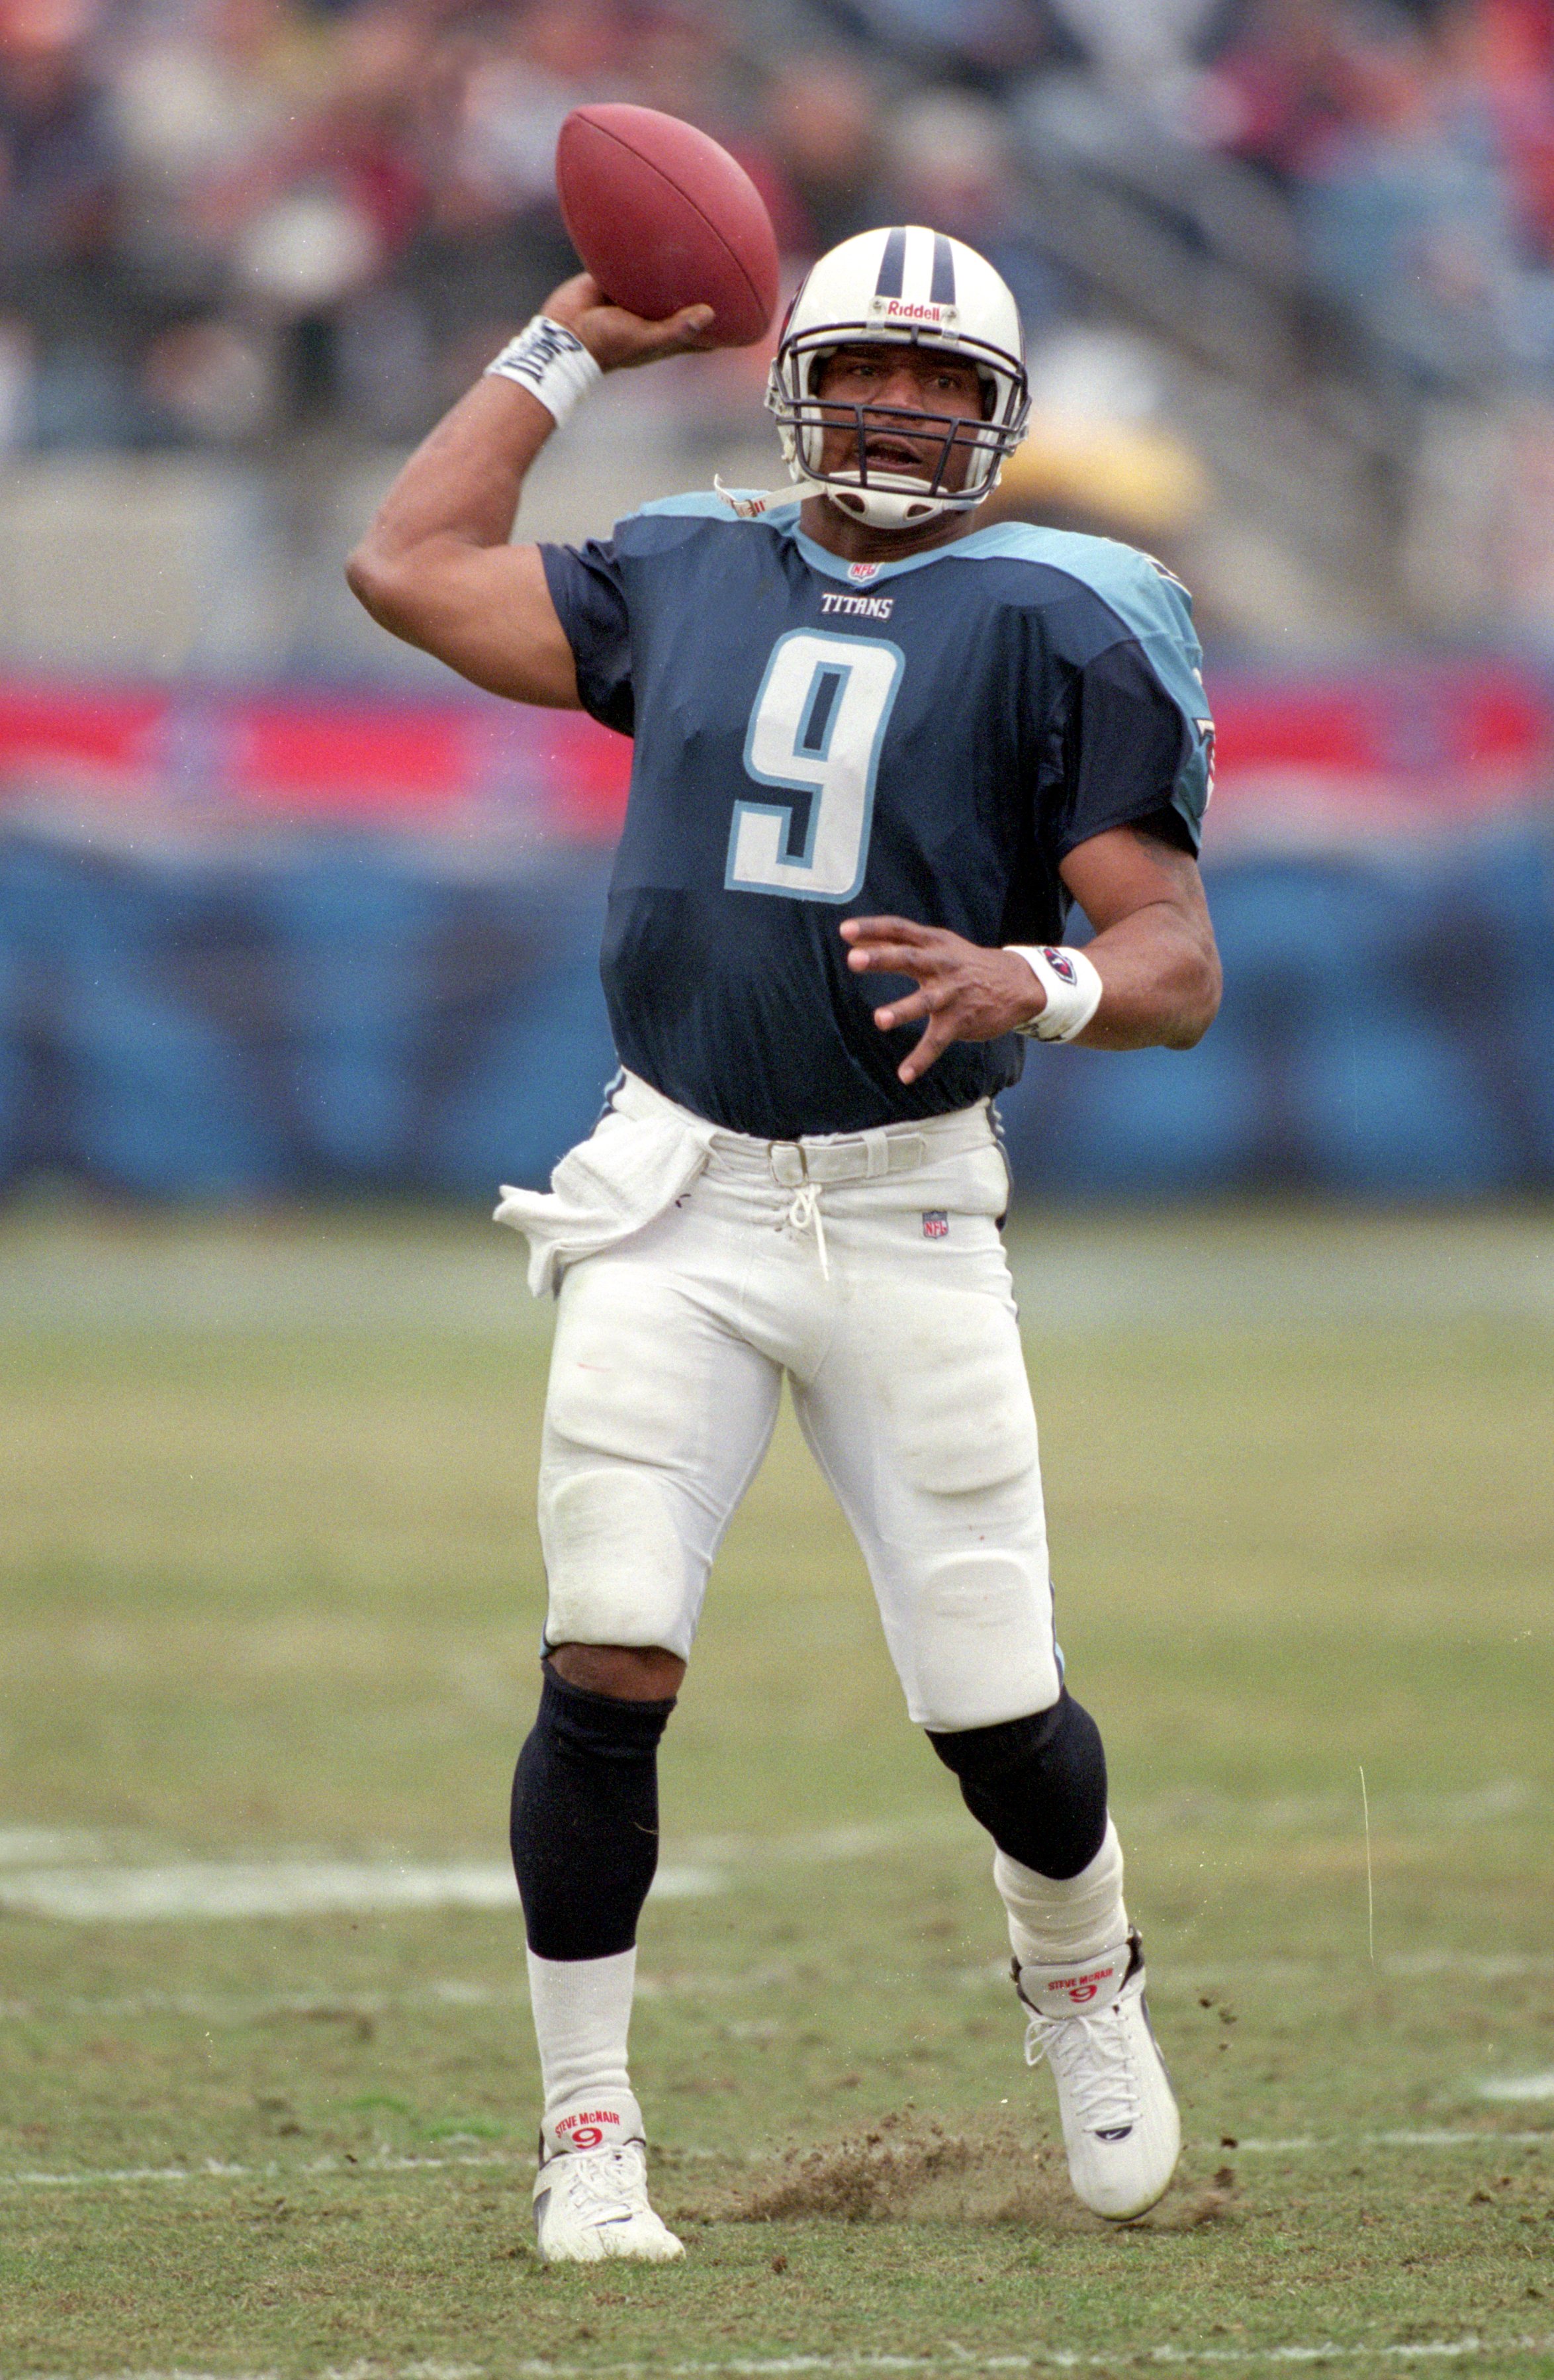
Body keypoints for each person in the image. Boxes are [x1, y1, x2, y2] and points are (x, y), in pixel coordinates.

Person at [347, 222, 1222, 2263]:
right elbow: (408, 564)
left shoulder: (1061, 614)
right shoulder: (685, 563)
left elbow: (1171, 958)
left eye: (943, 381)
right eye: (871, 369)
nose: (903, 408)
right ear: (795, 379)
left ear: (998, 414)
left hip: (908, 1209)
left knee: (994, 1705)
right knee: (608, 1644)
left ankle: (1080, 1972)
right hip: (676, 1192)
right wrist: (561, 339)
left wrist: (1042, 980)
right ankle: (588, 2136)